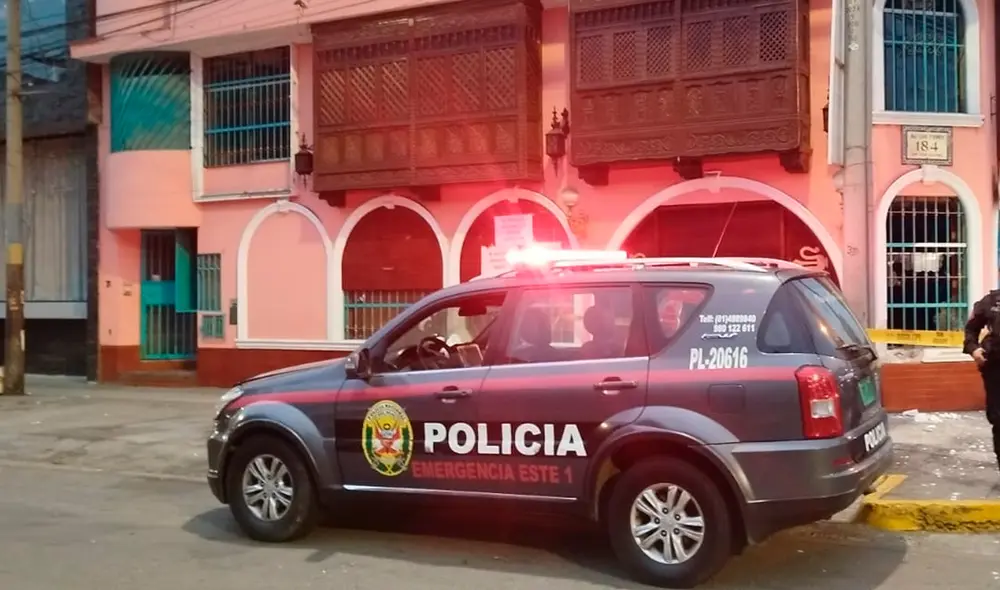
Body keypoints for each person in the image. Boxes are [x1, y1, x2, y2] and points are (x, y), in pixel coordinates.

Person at [963, 289, 1000, 471]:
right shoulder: (992, 301)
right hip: (995, 367)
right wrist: (974, 349)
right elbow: (971, 328)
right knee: (999, 419)